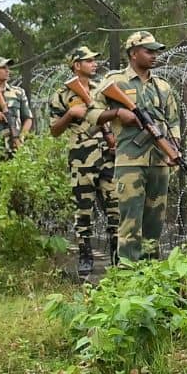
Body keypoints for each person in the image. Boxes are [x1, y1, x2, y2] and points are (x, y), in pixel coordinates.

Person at [86, 32, 180, 263]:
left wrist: (174, 148)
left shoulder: (162, 86)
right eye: (149, 51)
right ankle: (128, 276)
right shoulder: (115, 82)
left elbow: (174, 121)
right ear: (133, 53)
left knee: (154, 226)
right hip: (130, 163)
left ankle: (151, 276)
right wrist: (118, 113)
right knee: (130, 224)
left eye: (156, 51)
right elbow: (90, 114)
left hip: (159, 162)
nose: (154, 56)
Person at [48, 46, 119, 278]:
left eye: (94, 60)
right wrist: (70, 114)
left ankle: (117, 255)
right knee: (83, 209)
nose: (94, 63)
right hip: (81, 156)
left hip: (108, 155)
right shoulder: (62, 94)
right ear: (77, 65)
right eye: (88, 60)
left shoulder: (103, 90)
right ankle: (85, 254)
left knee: (114, 206)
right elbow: (54, 130)